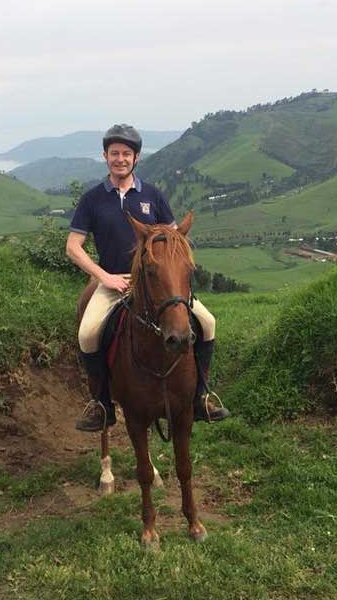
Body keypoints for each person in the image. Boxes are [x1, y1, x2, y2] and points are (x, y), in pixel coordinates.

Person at [66, 123, 230, 432]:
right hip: (114, 281)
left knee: (207, 323)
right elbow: (73, 247)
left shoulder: (152, 195)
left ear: (136, 158)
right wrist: (104, 277)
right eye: (114, 153)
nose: (120, 159)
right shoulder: (92, 199)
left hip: (155, 283)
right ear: (105, 156)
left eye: (126, 154)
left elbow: (172, 240)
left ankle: (200, 396)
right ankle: (101, 404)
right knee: (88, 333)